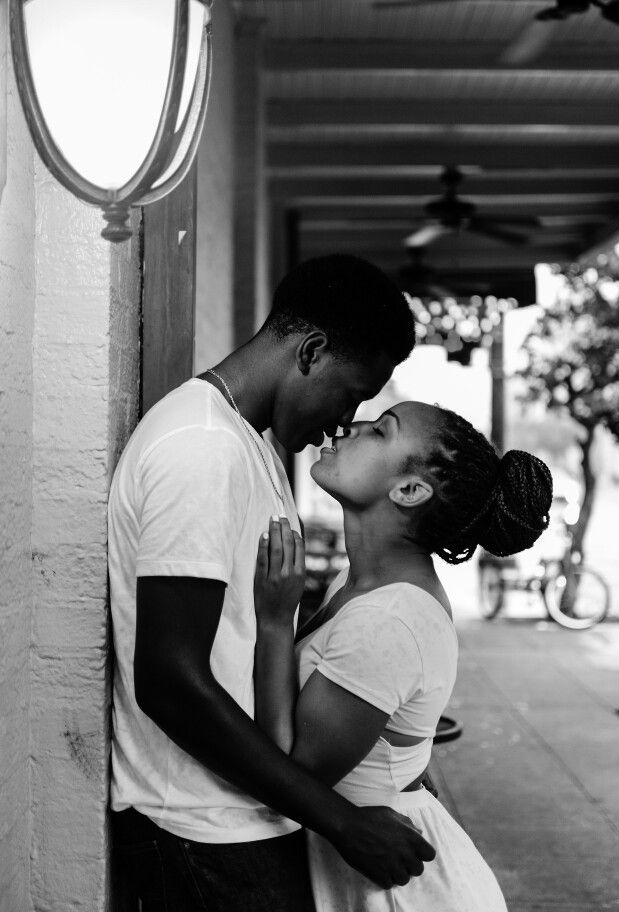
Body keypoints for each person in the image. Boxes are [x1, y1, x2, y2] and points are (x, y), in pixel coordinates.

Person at [108, 255, 435, 912]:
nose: (344, 421)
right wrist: (339, 821)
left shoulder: (247, 443)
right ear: (311, 350)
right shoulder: (201, 446)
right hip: (197, 834)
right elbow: (170, 681)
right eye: (351, 395)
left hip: (240, 822)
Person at [253, 401, 553, 912]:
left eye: (379, 431)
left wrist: (275, 622)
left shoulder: (389, 621)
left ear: (410, 491)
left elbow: (289, 776)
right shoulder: (360, 584)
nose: (349, 426)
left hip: (398, 891)